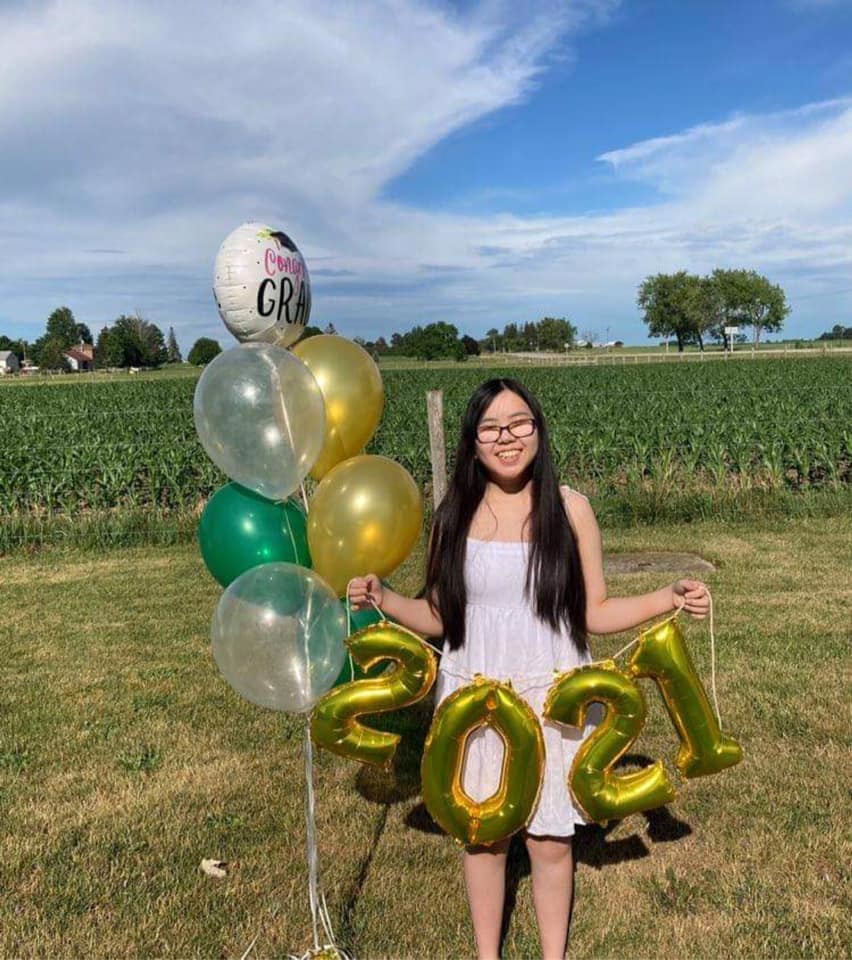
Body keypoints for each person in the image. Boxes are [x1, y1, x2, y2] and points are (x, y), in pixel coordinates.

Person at [348, 377, 709, 960]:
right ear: (472, 442)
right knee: (483, 836)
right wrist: (384, 598)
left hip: (551, 691)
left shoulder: (570, 509)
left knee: (548, 837)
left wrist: (668, 596)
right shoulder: (453, 516)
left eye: (519, 423)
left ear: (538, 431)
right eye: (490, 428)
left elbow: (596, 610)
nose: (506, 437)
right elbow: (441, 614)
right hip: (477, 694)